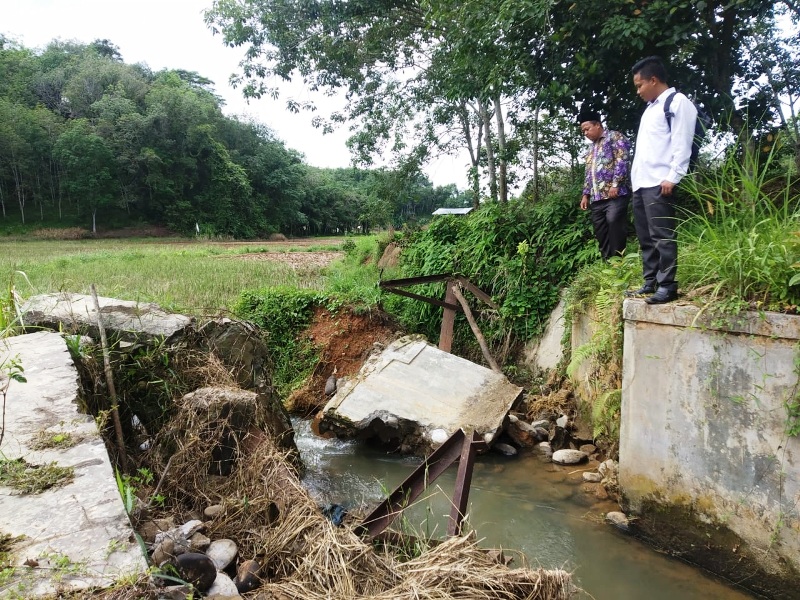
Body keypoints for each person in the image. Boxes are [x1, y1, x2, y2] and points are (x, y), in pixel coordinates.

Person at [628, 56, 697, 304]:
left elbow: (682, 142)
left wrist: (673, 176)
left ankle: (668, 286)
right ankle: (651, 281)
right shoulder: (651, 108)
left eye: (639, 85)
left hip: (660, 181)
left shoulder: (677, 103)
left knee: (662, 235)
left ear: (653, 80)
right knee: (645, 236)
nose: (638, 91)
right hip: (641, 183)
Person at [578, 109, 632, 260]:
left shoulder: (615, 137)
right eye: (583, 131)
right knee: (600, 230)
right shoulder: (590, 148)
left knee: (614, 223)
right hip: (597, 198)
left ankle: (618, 261)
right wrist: (585, 194)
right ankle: (607, 263)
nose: (585, 133)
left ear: (598, 125)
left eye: (587, 129)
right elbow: (589, 172)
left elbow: (622, 159)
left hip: (616, 194)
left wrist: (616, 183)